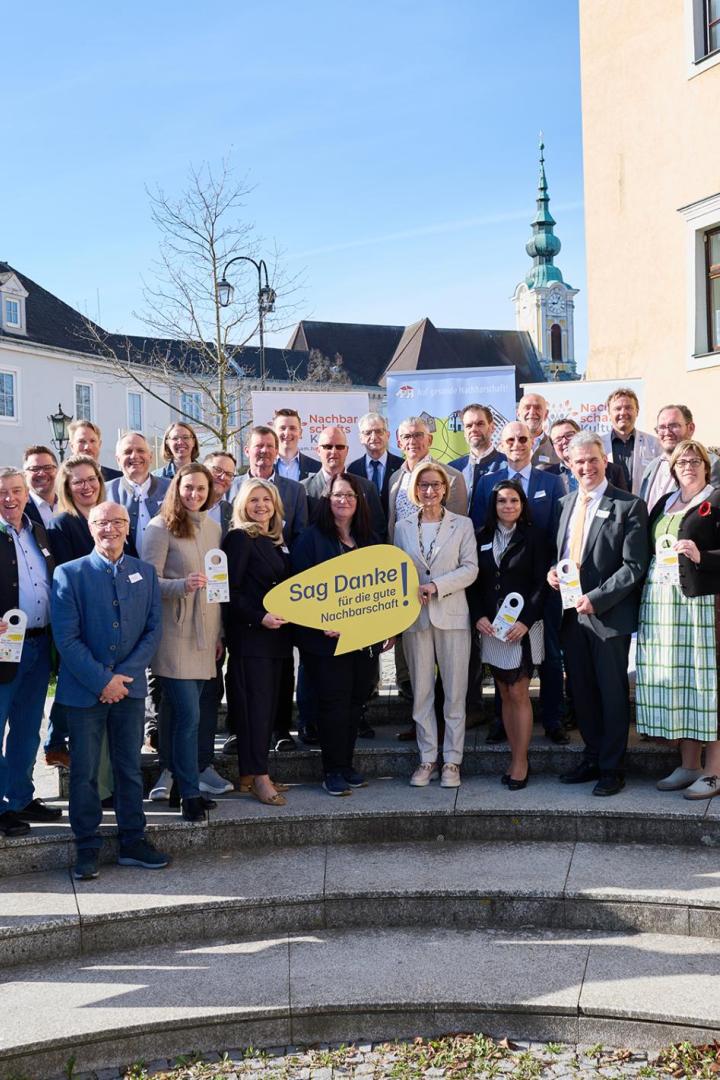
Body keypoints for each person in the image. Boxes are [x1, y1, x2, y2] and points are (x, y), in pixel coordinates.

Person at [51, 502, 168, 881]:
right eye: (102, 523)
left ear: (128, 528)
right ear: (91, 527)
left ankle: (133, 840)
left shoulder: (145, 573)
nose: (110, 529)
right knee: (85, 772)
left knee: (129, 768)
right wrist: (103, 680)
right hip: (85, 692)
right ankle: (86, 846)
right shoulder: (69, 574)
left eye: (118, 522)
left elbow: (152, 632)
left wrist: (124, 678)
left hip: (129, 692)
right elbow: (66, 639)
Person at [548, 432, 649, 796]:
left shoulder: (628, 505)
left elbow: (633, 566)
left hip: (607, 617)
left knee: (611, 692)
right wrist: (552, 573)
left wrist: (597, 598)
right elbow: (560, 553)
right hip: (572, 616)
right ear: (570, 466)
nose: (586, 467)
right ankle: (592, 756)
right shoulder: (564, 504)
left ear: (604, 460)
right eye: (579, 462)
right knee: (582, 691)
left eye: (592, 460)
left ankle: (612, 767)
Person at [291, 472, 391, 796]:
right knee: (333, 705)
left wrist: (387, 627)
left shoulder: (370, 540)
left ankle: (346, 765)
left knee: (354, 703)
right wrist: (323, 621)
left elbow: (382, 591)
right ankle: (331, 770)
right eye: (337, 495)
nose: (344, 500)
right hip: (325, 642)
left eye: (350, 495)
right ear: (327, 499)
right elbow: (298, 591)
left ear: (359, 501)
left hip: (362, 641)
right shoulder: (311, 539)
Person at [472, 421, 566, 745]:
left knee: (550, 654)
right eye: (510, 439)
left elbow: (558, 533)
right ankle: (501, 720)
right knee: (502, 656)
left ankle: (553, 718)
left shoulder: (552, 483)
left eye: (523, 438)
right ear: (501, 442)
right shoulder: (487, 482)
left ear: (533, 441)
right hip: (500, 590)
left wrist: (552, 576)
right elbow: (479, 532)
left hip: (541, 586)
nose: (517, 444)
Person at [636, 440, 720, 799]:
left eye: (695, 459)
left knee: (706, 684)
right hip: (663, 607)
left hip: (702, 606)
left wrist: (704, 555)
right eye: (682, 460)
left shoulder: (716, 500)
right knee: (680, 684)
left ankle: (714, 771)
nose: (688, 464)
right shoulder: (663, 502)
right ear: (672, 468)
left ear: (706, 465)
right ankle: (689, 764)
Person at [143, 463, 224, 821]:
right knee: (188, 715)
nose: (194, 494)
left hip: (205, 637)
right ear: (177, 487)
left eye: (201, 489)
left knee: (182, 715)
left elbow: (217, 587)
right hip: (174, 636)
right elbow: (148, 582)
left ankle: (181, 789)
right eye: (188, 487)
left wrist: (220, 634)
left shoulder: (213, 528)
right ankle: (189, 792)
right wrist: (182, 586)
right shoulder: (159, 528)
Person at [394, 462, 478, 788]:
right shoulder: (402, 528)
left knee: (455, 693)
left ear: (445, 489)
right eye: (423, 485)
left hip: (453, 616)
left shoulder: (463, 525)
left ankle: (452, 762)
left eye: (436, 485)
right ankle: (427, 758)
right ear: (415, 490)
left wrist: (438, 586)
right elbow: (396, 571)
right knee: (422, 694)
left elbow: (471, 568)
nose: (429, 491)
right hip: (415, 619)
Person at [471, 481, 547, 789]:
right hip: (492, 627)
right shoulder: (481, 537)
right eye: (502, 501)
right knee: (503, 692)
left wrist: (526, 621)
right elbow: (474, 582)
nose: (508, 506)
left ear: (522, 503)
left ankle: (520, 761)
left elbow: (543, 585)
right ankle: (515, 754)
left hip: (522, 628)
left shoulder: (535, 537)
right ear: (494, 505)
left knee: (518, 692)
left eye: (514, 500)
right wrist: (478, 616)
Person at [223, 479, 292, 806]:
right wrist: (257, 617)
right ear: (242, 505)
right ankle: (259, 777)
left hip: (275, 641)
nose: (261, 505)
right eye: (254, 500)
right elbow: (228, 593)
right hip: (252, 639)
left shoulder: (275, 541)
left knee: (266, 710)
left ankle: (250, 775)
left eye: (267, 499)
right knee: (255, 710)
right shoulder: (239, 539)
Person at [0, 466, 60, 837]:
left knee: (27, 728)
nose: (10, 498)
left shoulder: (37, 531)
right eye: (3, 492)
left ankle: (20, 797)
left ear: (26, 494)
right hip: (3, 648)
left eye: (16, 491)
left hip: (38, 644)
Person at [44, 454, 107, 768]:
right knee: (74, 680)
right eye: (78, 481)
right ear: (67, 487)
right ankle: (56, 742)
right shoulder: (61, 524)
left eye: (92, 478)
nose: (87, 486)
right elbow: (66, 574)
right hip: (80, 617)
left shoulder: (108, 516)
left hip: (110, 618)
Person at [388, 417, 467, 538]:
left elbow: (457, 527)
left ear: (429, 440)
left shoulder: (452, 477)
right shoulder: (395, 478)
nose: (412, 441)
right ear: (399, 444)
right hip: (400, 552)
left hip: (437, 553)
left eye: (418, 435)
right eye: (406, 437)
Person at [303, 426, 386, 540]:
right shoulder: (303, 489)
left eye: (339, 447)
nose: (334, 451)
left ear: (346, 451)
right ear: (318, 450)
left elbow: (378, 530)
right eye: (327, 446)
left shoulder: (367, 487)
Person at [234, 426, 309, 546]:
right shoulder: (230, 488)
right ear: (247, 451)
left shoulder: (295, 491)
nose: (264, 450)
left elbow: (300, 536)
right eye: (259, 446)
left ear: (276, 451)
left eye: (269, 446)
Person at [638, 405, 720, 510]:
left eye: (674, 426)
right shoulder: (651, 467)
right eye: (662, 427)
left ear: (690, 428)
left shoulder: (711, 463)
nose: (667, 433)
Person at [106, 432, 170, 557]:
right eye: (128, 452)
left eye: (141, 450)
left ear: (150, 457)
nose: (134, 456)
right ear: (118, 460)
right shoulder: (105, 491)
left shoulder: (171, 488)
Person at [600, 388, 661, 496]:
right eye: (617, 408)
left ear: (637, 412)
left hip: (643, 507)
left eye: (628, 408)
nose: (623, 413)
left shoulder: (654, 444)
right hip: (608, 508)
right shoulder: (598, 445)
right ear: (609, 413)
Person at [448, 403, 506, 510]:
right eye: (469, 426)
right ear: (464, 432)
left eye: (480, 424)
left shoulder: (508, 466)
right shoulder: (452, 468)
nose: (474, 429)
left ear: (492, 428)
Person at [548, 419, 628, 495]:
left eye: (569, 435)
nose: (564, 441)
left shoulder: (613, 471)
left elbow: (623, 504)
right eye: (558, 439)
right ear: (553, 446)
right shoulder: (548, 475)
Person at [348, 412, 404, 517]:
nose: (373, 437)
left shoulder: (402, 466)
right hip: (364, 531)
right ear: (361, 438)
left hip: (395, 530)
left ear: (387, 435)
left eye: (378, 431)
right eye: (368, 433)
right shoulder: (352, 469)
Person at [272, 408, 321, 481]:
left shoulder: (318, 468)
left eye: (292, 428)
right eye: (282, 428)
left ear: (300, 433)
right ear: (274, 433)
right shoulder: (264, 466)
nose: (287, 433)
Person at [517, 393, 560, 469]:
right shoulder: (505, 448)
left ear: (546, 414)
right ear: (518, 414)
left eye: (537, 408)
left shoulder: (556, 448)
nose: (532, 412)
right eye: (527, 407)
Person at [22, 446, 59, 529]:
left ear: (57, 471)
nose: (42, 473)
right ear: (25, 475)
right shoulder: (20, 509)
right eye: (35, 469)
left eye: (48, 468)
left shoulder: (70, 503)